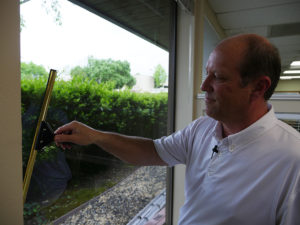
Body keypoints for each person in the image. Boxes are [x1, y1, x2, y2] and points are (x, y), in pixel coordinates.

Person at [55, 34, 300, 225]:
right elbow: (152, 151)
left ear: (258, 87)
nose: (204, 86)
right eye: (206, 74)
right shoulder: (202, 129)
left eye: (219, 77)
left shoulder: (292, 160)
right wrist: (95, 136)